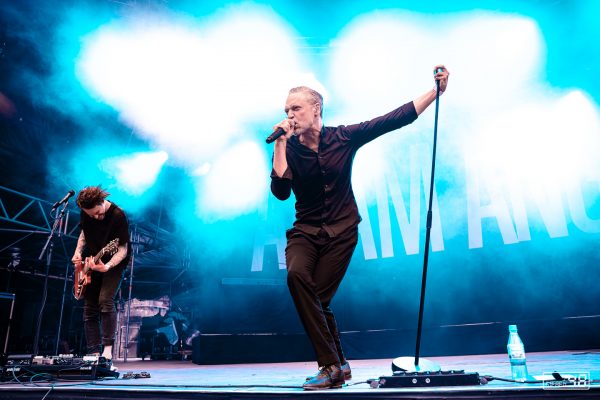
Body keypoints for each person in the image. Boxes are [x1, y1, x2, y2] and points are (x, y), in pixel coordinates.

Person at [270, 66, 450, 390]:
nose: (290, 115)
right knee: (297, 277)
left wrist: (435, 93)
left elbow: (395, 118)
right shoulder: (290, 148)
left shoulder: (343, 137)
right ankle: (334, 365)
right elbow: (281, 192)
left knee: (319, 298)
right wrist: (280, 144)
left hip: (342, 231)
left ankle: (335, 367)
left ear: (316, 109)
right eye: (286, 110)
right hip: (305, 232)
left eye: (295, 108)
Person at [71, 186, 130, 365]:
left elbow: (122, 249)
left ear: (101, 202)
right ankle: (94, 352)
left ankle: (107, 350)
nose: (95, 217)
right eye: (91, 215)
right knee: (90, 308)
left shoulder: (118, 215)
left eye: (97, 212)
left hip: (114, 263)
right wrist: (77, 252)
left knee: (105, 300)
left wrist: (109, 266)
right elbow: (84, 233)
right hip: (92, 260)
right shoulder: (87, 212)